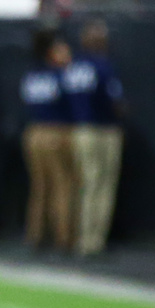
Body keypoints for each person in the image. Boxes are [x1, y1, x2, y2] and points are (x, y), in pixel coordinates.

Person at [63, 19, 125, 256]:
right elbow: (114, 100)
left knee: (86, 185)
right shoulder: (103, 65)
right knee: (103, 187)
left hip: (81, 129)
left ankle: (82, 238)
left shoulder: (74, 65)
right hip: (103, 130)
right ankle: (95, 241)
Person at [20, 29, 75, 253]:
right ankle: (63, 239)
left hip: (34, 133)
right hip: (57, 131)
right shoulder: (62, 75)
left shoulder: (32, 75)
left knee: (39, 187)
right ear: (52, 52)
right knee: (62, 186)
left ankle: (35, 236)